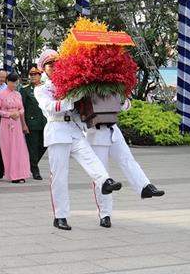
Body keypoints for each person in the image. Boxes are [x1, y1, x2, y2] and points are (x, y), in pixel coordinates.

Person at [34, 49, 122, 230]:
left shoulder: (69, 85)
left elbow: (77, 109)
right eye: (50, 65)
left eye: (58, 64)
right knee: (59, 176)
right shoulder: (41, 90)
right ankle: (61, 216)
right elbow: (52, 107)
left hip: (73, 129)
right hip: (57, 129)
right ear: (44, 69)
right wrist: (72, 98)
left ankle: (105, 181)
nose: (55, 67)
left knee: (91, 158)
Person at [86, 99, 165, 228]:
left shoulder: (113, 87)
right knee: (102, 175)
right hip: (95, 134)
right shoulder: (86, 88)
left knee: (128, 159)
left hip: (113, 131)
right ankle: (105, 214)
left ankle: (145, 187)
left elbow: (127, 106)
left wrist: (121, 100)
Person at [0, 73, 30, 183]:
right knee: (4, 148)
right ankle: (0, 172)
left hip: (17, 124)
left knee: (18, 149)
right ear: (7, 82)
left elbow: (22, 108)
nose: (15, 84)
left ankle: (18, 173)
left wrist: (18, 113)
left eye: (17, 82)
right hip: (4, 124)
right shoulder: (1, 95)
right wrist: (8, 114)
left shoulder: (18, 94)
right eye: (13, 82)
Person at [20, 66, 48, 180]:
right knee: (32, 148)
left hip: (44, 122)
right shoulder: (25, 89)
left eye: (35, 74)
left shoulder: (45, 88)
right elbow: (22, 108)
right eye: (31, 74)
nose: (33, 76)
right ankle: (35, 170)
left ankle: (31, 163)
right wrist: (24, 124)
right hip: (31, 123)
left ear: (40, 75)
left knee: (44, 145)